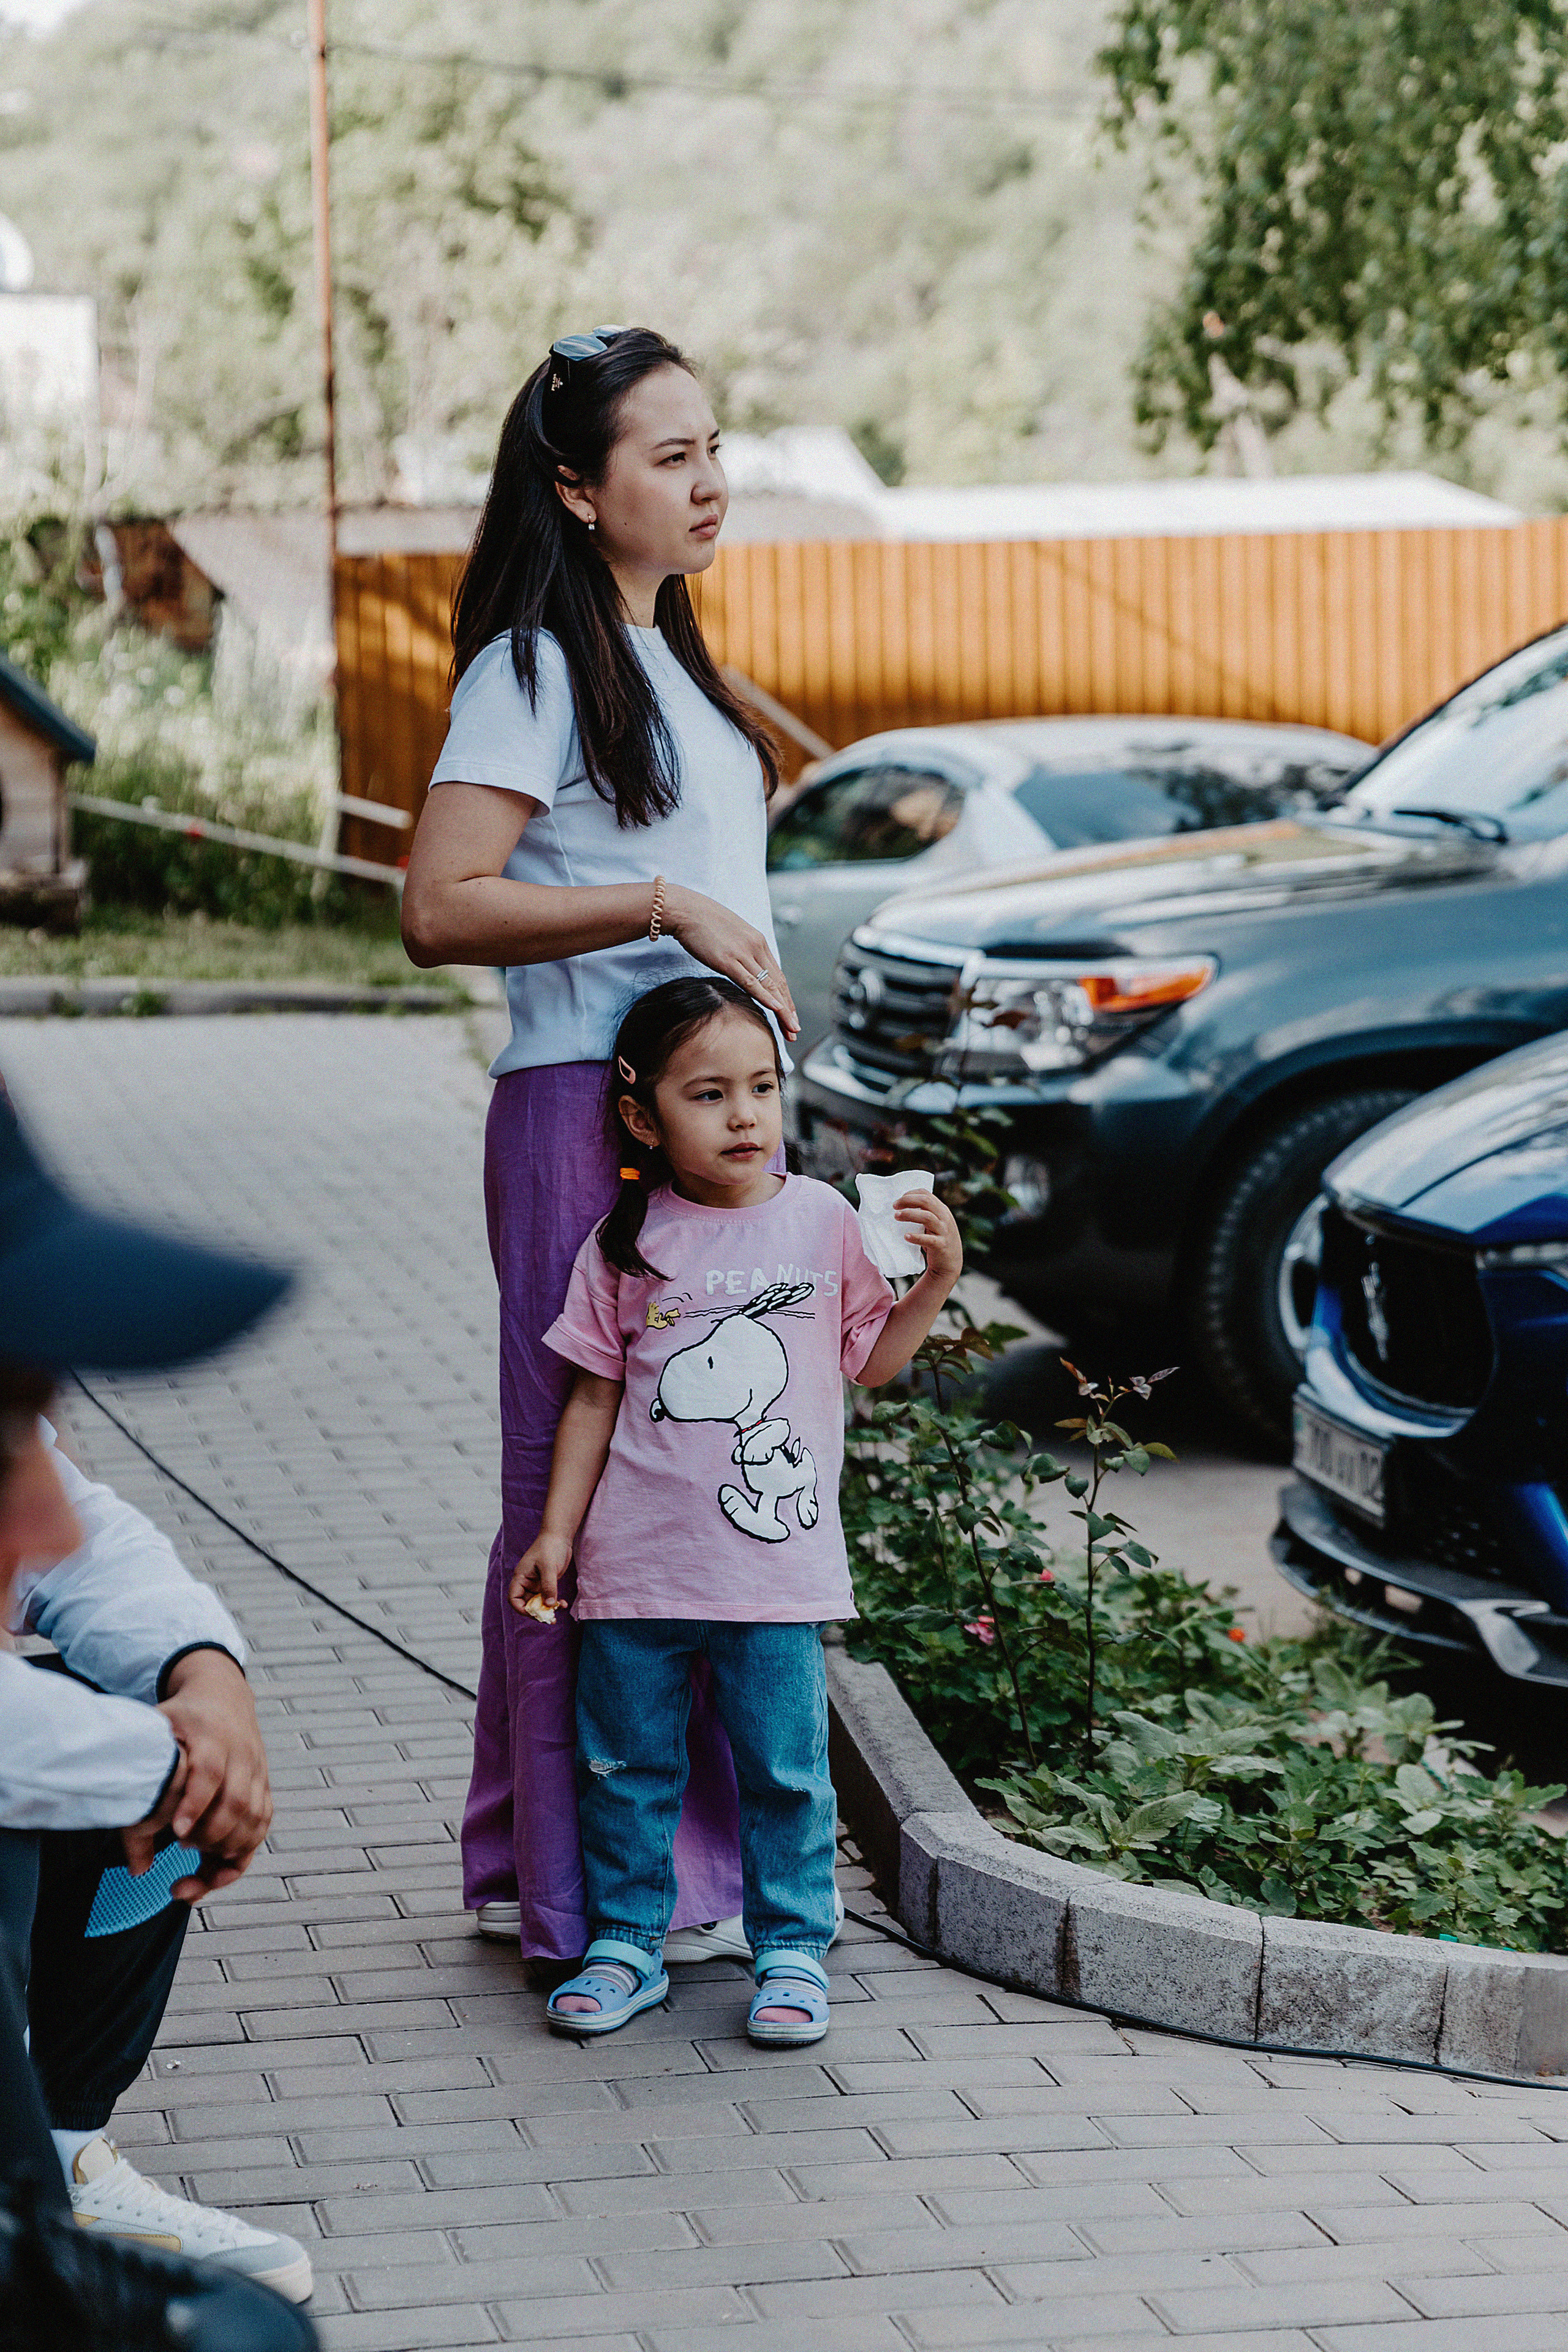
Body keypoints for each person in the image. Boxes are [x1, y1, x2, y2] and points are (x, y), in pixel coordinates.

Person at [401, 323, 805, 1973]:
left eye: (715, 449)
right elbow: (439, 906)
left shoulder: (677, 670)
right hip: (588, 1121)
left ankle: (655, 1870)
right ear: (576, 487)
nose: (707, 483)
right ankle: (585, 1894)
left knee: (702, 1488)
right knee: (577, 1493)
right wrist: (657, 903)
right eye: (666, 456)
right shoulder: (534, 669)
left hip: (717, 1133)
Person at [507, 977, 962, 2045]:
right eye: (709, 1094)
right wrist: (560, 1534)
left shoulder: (823, 1223)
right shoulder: (627, 1245)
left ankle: (794, 1948)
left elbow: (873, 1366)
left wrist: (935, 1284)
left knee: (787, 1771)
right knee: (625, 1768)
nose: (746, 1116)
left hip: (775, 1574)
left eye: (761, 1087)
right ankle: (627, 1942)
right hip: (635, 1571)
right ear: (642, 1116)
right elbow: (593, 1395)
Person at [0, 1093, 315, 2326]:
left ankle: (62, 2156)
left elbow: (96, 1541)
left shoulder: (52, 1507)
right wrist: (171, 1766)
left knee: (137, 1731)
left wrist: (206, 1680)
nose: (46, 1518)